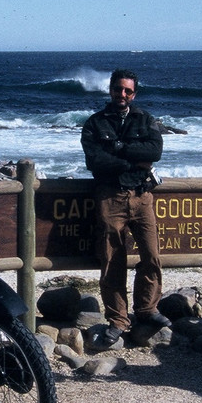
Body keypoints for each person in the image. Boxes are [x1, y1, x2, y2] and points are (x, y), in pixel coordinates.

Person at [80, 68, 170, 349]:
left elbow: (154, 152)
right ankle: (118, 320)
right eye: (118, 89)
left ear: (134, 94)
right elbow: (95, 161)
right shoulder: (95, 123)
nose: (122, 94)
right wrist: (132, 160)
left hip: (142, 197)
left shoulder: (145, 119)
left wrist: (117, 149)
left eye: (128, 91)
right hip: (110, 197)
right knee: (112, 260)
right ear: (110, 89)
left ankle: (147, 309)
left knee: (151, 256)